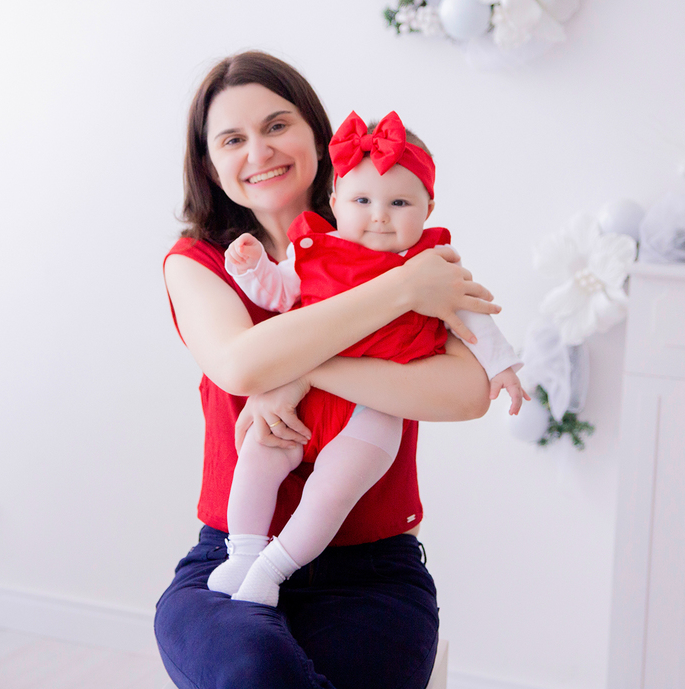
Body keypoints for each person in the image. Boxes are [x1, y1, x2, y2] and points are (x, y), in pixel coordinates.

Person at [156, 51, 497, 689]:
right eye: (233, 139)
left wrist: (305, 371)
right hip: (228, 555)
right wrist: (400, 294)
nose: (259, 151)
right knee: (256, 671)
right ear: (210, 164)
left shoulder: (407, 244)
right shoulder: (198, 262)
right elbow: (240, 365)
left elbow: (467, 392)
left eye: (277, 125)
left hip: (371, 573)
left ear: (319, 135)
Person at [207, 109, 527, 607]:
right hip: (303, 405)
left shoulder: (432, 265)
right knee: (257, 454)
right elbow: (281, 294)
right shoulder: (314, 249)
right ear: (335, 201)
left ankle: (273, 568)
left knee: (333, 490)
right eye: (362, 200)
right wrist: (253, 270)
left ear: (429, 207)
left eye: (399, 202)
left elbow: (475, 316)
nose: (379, 214)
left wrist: (502, 366)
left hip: (373, 411)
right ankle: (245, 553)